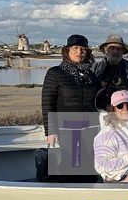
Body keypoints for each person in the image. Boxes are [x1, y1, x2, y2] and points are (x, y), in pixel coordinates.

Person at [41, 34, 100, 182]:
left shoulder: (91, 75)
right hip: (67, 129)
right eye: (75, 48)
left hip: (91, 128)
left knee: (90, 167)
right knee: (71, 166)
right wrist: (51, 131)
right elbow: (48, 102)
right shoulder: (55, 73)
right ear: (67, 50)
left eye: (83, 49)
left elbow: (99, 100)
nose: (79, 52)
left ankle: (88, 194)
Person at [93, 90, 128, 183]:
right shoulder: (108, 134)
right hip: (119, 181)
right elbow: (101, 165)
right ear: (113, 110)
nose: (125, 109)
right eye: (120, 106)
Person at [93, 34, 128, 110]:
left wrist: (125, 95)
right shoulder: (96, 68)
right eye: (112, 48)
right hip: (100, 110)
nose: (116, 51)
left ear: (123, 52)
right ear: (105, 50)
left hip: (124, 110)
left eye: (119, 49)